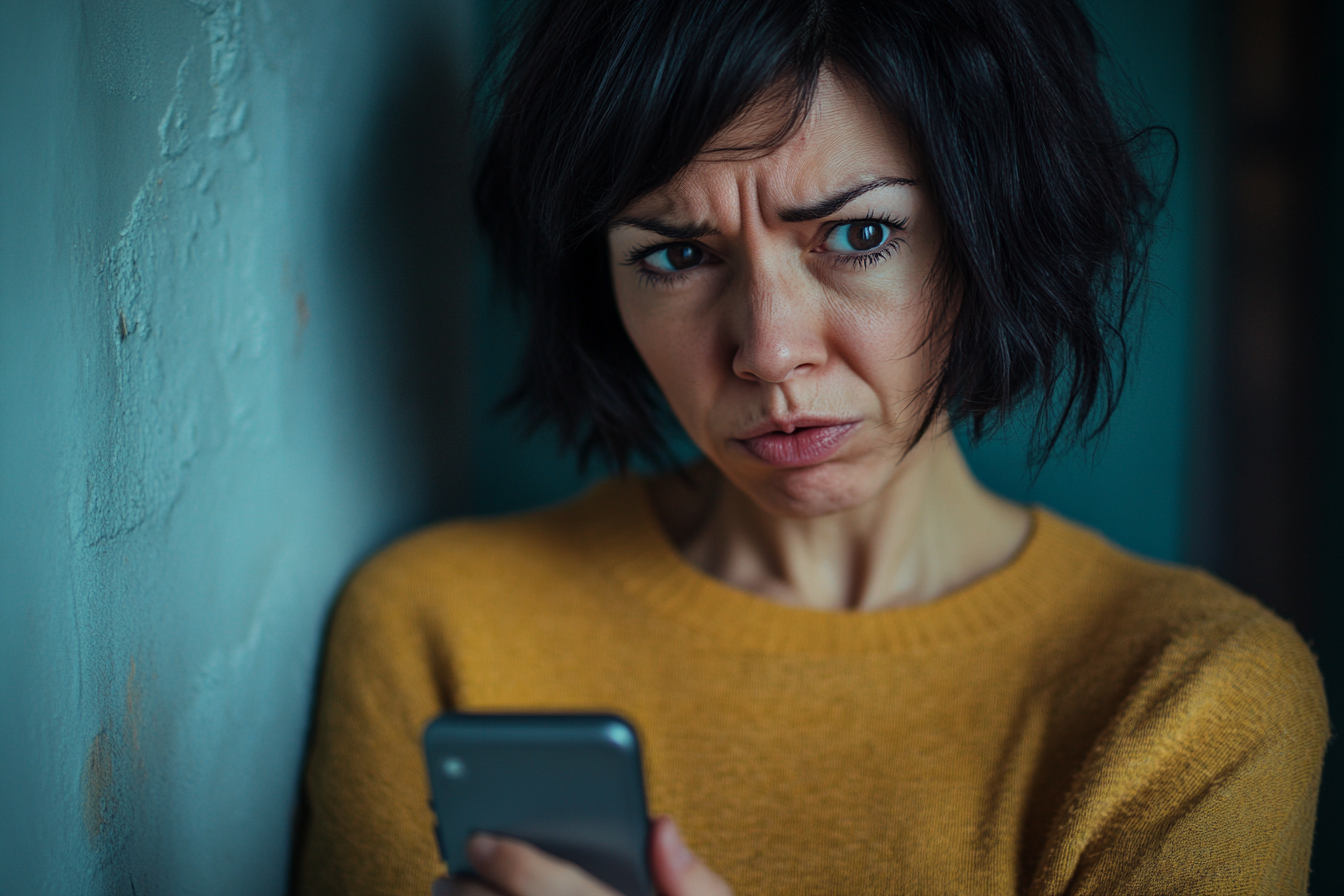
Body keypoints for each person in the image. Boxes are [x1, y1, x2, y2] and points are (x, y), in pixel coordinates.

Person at [295, 1, 1329, 894]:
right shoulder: (439, 631)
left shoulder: (1191, 699)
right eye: (676, 254)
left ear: (988, 232)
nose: (769, 351)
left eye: (858, 234)